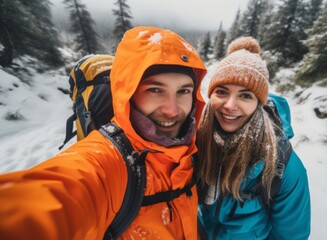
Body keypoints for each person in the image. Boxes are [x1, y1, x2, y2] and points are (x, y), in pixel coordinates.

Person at [0, 26, 207, 240]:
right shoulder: (107, 162)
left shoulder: (190, 146)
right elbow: (49, 201)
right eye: (155, 90)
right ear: (128, 94)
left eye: (183, 91)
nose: (172, 110)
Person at [196, 37, 311, 239]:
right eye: (222, 92)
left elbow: (291, 236)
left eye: (245, 95)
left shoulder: (284, 167)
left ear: (259, 103)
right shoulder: (197, 139)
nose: (230, 105)